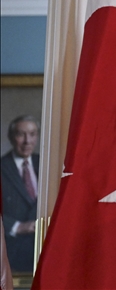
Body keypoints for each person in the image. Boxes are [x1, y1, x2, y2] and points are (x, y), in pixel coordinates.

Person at [1, 114, 40, 273]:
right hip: (11, 255)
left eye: (32, 134)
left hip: (43, 251)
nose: (27, 141)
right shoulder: (2, 167)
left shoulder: (46, 164)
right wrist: (17, 227)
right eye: (20, 134)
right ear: (11, 137)